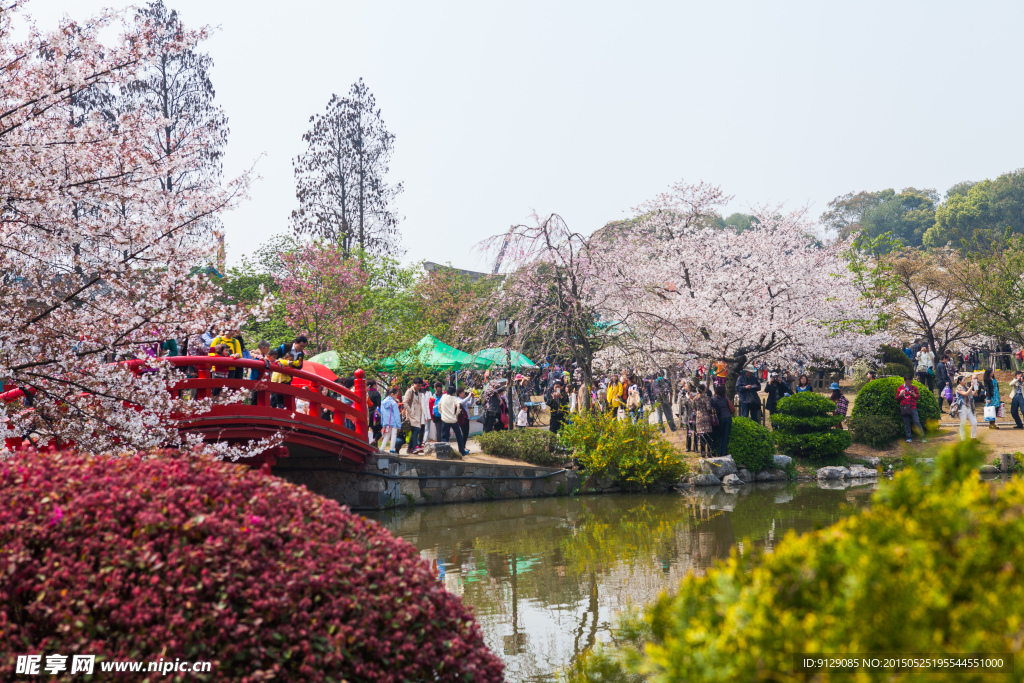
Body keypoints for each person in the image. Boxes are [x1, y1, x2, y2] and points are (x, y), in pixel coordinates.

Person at [438, 385, 468, 455]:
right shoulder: (454, 398)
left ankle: (445, 452)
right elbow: (459, 405)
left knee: (445, 437)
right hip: (453, 420)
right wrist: (457, 413)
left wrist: (442, 413)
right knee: (459, 436)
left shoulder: (443, 397)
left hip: (445, 419)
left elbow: (439, 406)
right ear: (453, 393)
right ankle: (462, 451)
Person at [897, 375, 926, 444]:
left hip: (913, 407)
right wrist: (900, 395)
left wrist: (914, 395)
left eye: (910, 381)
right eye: (907, 382)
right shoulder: (900, 388)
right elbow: (897, 398)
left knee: (916, 422)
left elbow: (917, 397)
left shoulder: (914, 388)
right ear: (904, 381)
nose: (909, 383)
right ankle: (909, 437)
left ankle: (922, 437)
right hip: (904, 407)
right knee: (906, 423)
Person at [403, 378, 426, 454]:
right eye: (417, 385)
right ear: (414, 384)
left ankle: (410, 448)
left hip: (417, 415)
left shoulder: (419, 392)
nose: (419, 387)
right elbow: (405, 402)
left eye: (420, 386)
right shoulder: (409, 391)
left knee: (415, 431)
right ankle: (414, 447)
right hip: (412, 415)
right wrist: (410, 411)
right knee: (416, 430)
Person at [711, 385, 734, 456]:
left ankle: (718, 452)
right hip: (728, 417)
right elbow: (732, 410)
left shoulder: (714, 399)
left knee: (720, 436)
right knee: (725, 436)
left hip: (720, 419)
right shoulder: (726, 399)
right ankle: (724, 452)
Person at [692, 382, 715, 456]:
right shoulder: (706, 398)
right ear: (704, 390)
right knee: (708, 435)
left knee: (701, 436)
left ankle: (702, 452)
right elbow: (708, 408)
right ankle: (709, 451)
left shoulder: (695, 398)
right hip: (706, 417)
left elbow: (693, 407)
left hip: (699, 417)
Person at [379, 387, 403, 453]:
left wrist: (383, 422)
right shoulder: (394, 403)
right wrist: (399, 424)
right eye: (396, 395)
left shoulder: (383, 402)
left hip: (386, 422)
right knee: (393, 435)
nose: (396, 396)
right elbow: (397, 415)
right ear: (392, 394)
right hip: (394, 422)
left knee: (387, 435)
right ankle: (392, 449)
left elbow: (382, 414)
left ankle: (382, 448)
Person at [955, 373, 979, 440]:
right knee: (963, 423)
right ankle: (963, 439)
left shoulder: (966, 387)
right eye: (964, 380)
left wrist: (976, 387)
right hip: (962, 407)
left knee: (974, 422)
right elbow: (965, 394)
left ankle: (973, 437)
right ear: (959, 381)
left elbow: (974, 394)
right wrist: (971, 386)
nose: (965, 381)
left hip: (968, 407)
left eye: (965, 380)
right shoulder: (958, 387)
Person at [366, 379, 382, 444]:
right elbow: (379, 405)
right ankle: (375, 440)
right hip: (375, 414)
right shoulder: (377, 393)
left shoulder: (367, 393)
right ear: (374, 385)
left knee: (371, 430)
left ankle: (373, 444)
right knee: (381, 430)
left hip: (367, 414)